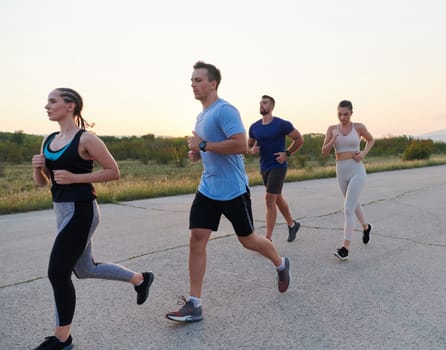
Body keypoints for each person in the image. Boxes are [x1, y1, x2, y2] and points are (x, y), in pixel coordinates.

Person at [165, 61, 290, 323]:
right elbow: (208, 148)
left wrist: (204, 144)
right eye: (191, 80)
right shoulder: (201, 116)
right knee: (197, 239)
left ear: (213, 83)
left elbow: (241, 144)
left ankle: (280, 263)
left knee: (248, 240)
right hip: (208, 187)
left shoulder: (225, 110)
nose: (193, 84)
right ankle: (195, 304)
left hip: (233, 189)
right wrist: (197, 153)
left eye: (198, 80)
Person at [31, 88, 154, 350]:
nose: (47, 106)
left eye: (53, 101)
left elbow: (113, 172)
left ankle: (62, 338)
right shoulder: (48, 139)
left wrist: (77, 178)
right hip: (61, 210)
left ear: (70, 106)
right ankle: (140, 279)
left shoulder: (86, 139)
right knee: (84, 269)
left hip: (82, 210)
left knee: (57, 272)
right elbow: (42, 184)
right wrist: (37, 169)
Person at [321, 100, 374, 261]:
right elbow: (324, 152)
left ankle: (345, 248)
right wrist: (332, 139)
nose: (342, 117)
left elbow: (371, 140)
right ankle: (366, 227)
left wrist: (364, 153)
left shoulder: (358, 127)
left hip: (357, 170)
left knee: (348, 208)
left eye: (346, 114)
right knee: (354, 203)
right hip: (341, 171)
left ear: (351, 113)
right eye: (340, 114)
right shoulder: (332, 129)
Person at [248, 95, 304, 242]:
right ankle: (292, 225)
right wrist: (252, 150)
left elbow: (299, 139)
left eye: (265, 103)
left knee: (269, 199)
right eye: (260, 103)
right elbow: (249, 146)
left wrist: (287, 153)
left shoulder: (282, 124)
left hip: (278, 166)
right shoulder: (254, 127)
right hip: (264, 167)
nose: (261, 105)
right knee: (277, 198)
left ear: (272, 106)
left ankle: (268, 238)